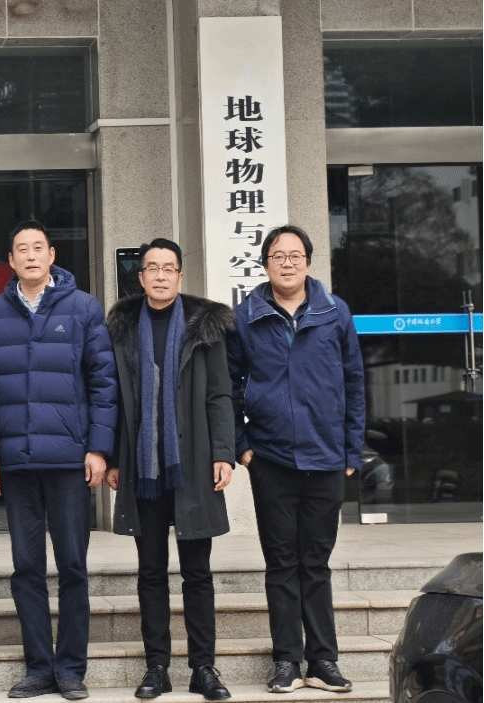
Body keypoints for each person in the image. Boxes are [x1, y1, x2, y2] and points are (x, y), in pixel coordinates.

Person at [0, 220, 118, 700]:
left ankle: (71, 669)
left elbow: (103, 382)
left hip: (68, 460)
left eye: (38, 247)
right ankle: (39, 667)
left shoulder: (83, 308)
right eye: (22, 249)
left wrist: (98, 448)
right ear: (11, 261)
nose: (31, 255)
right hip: (16, 462)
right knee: (26, 568)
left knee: (73, 565)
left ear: (52, 255)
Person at [227, 225, 365, 695]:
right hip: (271, 459)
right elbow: (229, 384)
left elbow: (354, 382)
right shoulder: (246, 316)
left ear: (308, 261)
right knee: (281, 562)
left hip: (327, 457)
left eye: (295, 255)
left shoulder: (334, 312)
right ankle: (286, 659)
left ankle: (323, 660)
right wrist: (242, 443)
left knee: (316, 563)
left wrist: (351, 448)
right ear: (265, 263)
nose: (287, 263)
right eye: (277, 256)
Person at [103, 239, 235, 701]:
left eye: (168, 268)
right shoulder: (122, 329)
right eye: (152, 268)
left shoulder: (204, 327)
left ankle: (204, 668)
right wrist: (113, 457)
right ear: (140, 277)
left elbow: (220, 394)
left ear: (180, 276)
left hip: (193, 462)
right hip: (144, 467)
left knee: (197, 572)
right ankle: (157, 666)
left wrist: (223, 452)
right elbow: (113, 397)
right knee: (151, 572)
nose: (160, 276)